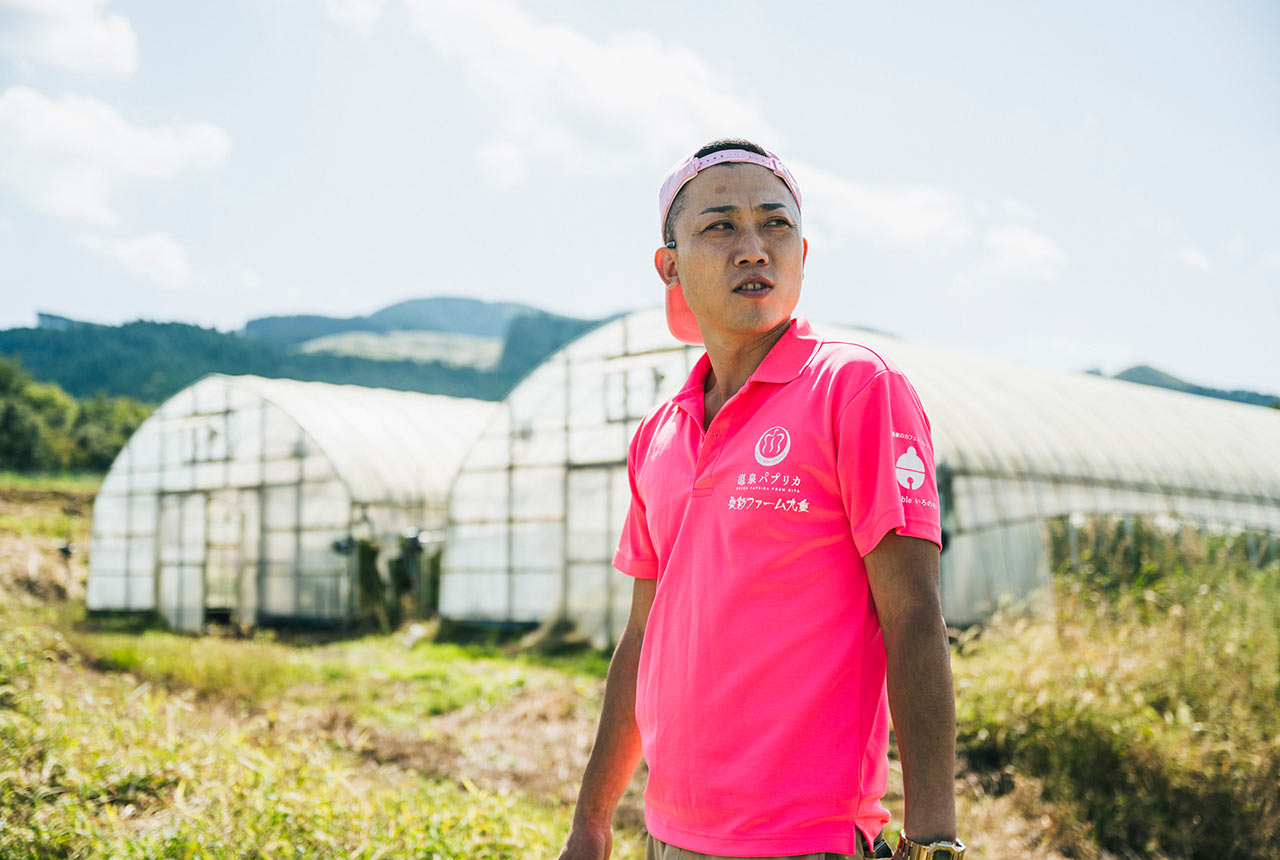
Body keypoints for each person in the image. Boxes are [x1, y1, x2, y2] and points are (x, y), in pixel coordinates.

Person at [555, 140, 963, 860]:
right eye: (721, 226)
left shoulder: (855, 389)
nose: (753, 249)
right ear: (670, 264)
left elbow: (913, 616)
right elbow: (643, 636)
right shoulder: (660, 431)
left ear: (802, 252)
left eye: (775, 225)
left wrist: (933, 841)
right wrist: (592, 823)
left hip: (805, 841)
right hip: (669, 835)